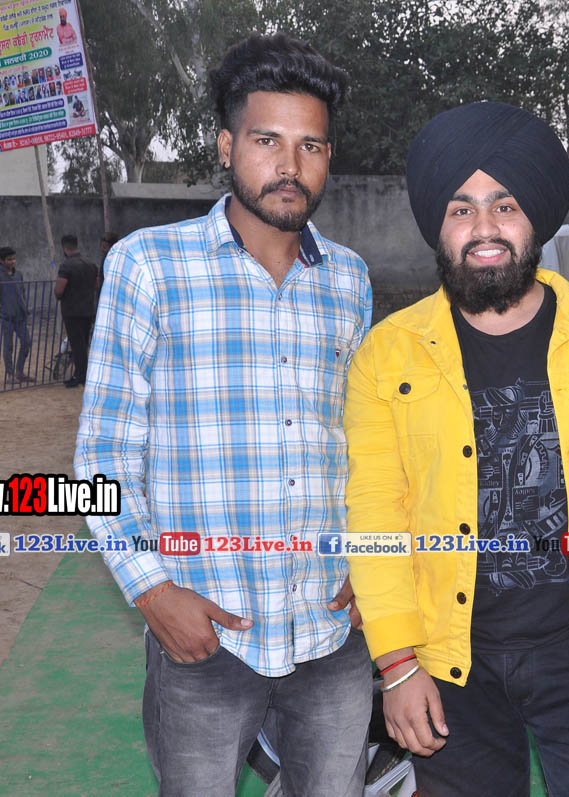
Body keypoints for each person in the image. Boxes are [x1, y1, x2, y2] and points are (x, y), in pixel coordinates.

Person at [74, 34, 373, 796]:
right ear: (226, 145)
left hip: (330, 629)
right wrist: (153, 591)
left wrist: (372, 565)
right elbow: (103, 455)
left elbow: (366, 444)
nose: (290, 165)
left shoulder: (349, 280)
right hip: (203, 633)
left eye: (311, 146)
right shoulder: (148, 266)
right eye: (267, 140)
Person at [344, 101, 569, 796]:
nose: (484, 228)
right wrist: (396, 665)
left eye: (505, 206)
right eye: (461, 209)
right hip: (449, 664)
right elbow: (375, 514)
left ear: (535, 220)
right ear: (438, 225)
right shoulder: (388, 354)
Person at [53, 234, 100, 387]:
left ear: (65, 249)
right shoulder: (91, 264)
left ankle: (80, 376)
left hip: (72, 311)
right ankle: (82, 374)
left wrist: (59, 295)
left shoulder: (66, 266)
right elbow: (97, 286)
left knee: (77, 344)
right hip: (88, 310)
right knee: (83, 344)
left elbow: (59, 290)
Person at [0, 246, 34, 383]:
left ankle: (19, 371)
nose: (12, 261)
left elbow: (22, 292)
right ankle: (10, 374)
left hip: (20, 316)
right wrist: (2, 310)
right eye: (9, 259)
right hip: (7, 318)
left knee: (26, 343)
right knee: (8, 347)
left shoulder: (18, 274)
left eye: (14, 259)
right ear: (2, 261)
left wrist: (24, 307)